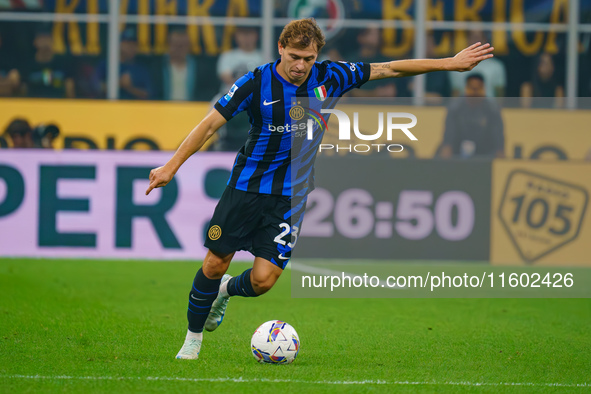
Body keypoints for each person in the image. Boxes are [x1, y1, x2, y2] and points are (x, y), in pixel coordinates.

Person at [145, 18, 494, 360]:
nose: (300, 66)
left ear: (317, 55)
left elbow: (390, 69)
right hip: (246, 188)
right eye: (294, 57)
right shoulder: (255, 83)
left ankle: (223, 293)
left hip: (291, 195)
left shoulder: (331, 76)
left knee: (264, 280)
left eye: (308, 59)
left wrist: (449, 63)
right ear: (280, 48)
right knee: (214, 262)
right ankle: (192, 340)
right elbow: (209, 125)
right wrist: (170, 167)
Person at [439, 74, 505, 159]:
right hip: (458, 149)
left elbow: (498, 135)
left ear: (484, 89)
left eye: (478, 89)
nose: (475, 93)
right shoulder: (455, 108)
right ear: (466, 89)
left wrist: (500, 151)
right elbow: (449, 134)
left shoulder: (492, 109)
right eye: (472, 89)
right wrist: (447, 148)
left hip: (485, 151)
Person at [152, 29, 217, 101]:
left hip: (191, 109)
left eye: (184, 45)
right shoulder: (157, 66)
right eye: (176, 45)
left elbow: (207, 91)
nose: (180, 49)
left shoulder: (200, 67)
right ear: (168, 45)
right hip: (162, 108)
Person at [95, 28, 152, 100]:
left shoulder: (141, 68)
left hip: (135, 109)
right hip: (108, 109)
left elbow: (149, 96)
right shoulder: (106, 64)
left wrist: (130, 88)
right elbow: (94, 87)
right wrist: (118, 83)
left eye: (134, 44)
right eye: (127, 43)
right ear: (118, 45)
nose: (131, 47)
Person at [450, 30, 506, 98]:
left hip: (489, 107)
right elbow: (455, 93)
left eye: (479, 38)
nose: (476, 42)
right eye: (473, 38)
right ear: (467, 40)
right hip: (464, 107)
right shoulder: (457, 65)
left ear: (485, 40)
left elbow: (499, 93)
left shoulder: (496, 66)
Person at [22, 29, 75, 98]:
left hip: (59, 103)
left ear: (53, 41)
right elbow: (23, 88)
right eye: (42, 39)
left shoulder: (62, 63)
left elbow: (70, 85)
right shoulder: (28, 64)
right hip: (33, 103)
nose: (45, 43)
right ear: (35, 42)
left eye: (48, 39)